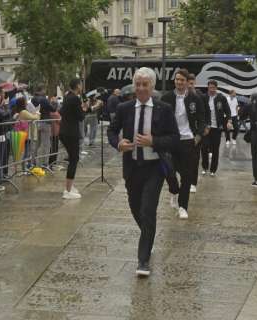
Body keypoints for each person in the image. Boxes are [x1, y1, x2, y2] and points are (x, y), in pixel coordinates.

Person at [108, 67, 179, 277]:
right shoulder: (125, 108)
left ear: (152, 87)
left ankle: (143, 260)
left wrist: (153, 141)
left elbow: (174, 139)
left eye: (144, 84)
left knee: (148, 210)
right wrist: (118, 143)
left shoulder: (163, 109)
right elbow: (111, 131)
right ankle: (148, 237)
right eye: (137, 84)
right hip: (132, 167)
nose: (140, 88)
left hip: (154, 168)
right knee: (135, 208)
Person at [161, 68, 205, 219]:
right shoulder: (166, 97)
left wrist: (198, 135)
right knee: (170, 171)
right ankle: (173, 190)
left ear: (187, 83)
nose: (179, 82)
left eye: (182, 80)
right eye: (177, 79)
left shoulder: (195, 98)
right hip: (171, 140)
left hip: (188, 140)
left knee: (186, 175)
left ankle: (183, 206)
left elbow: (202, 118)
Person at [59, 79, 88, 199]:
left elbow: (63, 111)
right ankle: (68, 190)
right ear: (77, 86)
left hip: (64, 131)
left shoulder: (67, 96)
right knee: (74, 159)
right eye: (81, 84)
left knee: (73, 158)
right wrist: (86, 108)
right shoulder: (75, 98)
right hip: (71, 133)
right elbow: (81, 116)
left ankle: (69, 186)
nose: (82, 86)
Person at [201, 80, 231, 176]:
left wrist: (229, 121)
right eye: (210, 87)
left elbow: (228, 111)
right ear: (208, 87)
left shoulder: (221, 98)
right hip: (206, 127)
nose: (212, 89)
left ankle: (213, 170)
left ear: (216, 88)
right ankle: (205, 167)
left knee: (215, 149)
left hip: (217, 128)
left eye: (213, 87)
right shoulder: (203, 97)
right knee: (204, 147)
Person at [186, 73, 207, 193]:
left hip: (195, 132)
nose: (190, 84)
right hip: (183, 132)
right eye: (189, 82)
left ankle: (193, 182)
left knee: (194, 159)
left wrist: (203, 128)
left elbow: (204, 113)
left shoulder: (200, 96)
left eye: (192, 82)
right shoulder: (181, 95)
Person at [31, 86, 56, 168]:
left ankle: (33, 161)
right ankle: (45, 163)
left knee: (37, 143)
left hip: (37, 122)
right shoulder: (44, 99)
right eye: (45, 89)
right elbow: (53, 109)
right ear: (42, 90)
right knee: (46, 144)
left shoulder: (33, 99)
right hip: (45, 122)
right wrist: (53, 102)